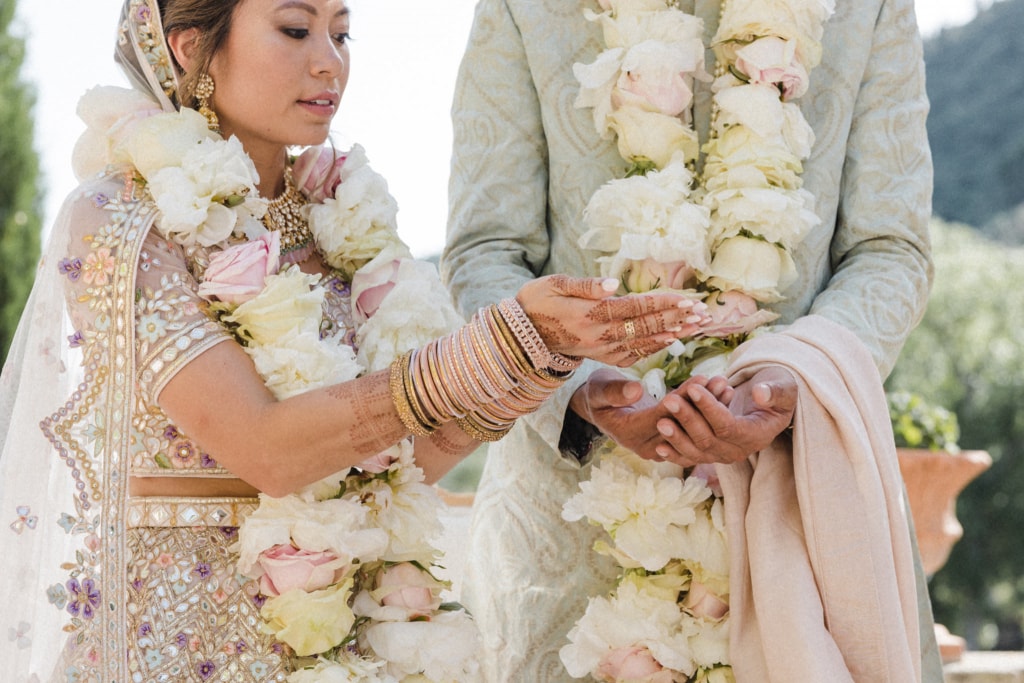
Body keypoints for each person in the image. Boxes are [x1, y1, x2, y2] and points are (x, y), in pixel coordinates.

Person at [0, 0, 709, 680]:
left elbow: (405, 463)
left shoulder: (343, 226)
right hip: (173, 652)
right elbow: (268, 449)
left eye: (342, 33)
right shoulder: (121, 221)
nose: (329, 62)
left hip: (347, 640)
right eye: (295, 28)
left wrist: (545, 357)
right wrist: (502, 341)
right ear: (192, 48)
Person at [442, 0, 944, 680]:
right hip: (570, 531)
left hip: (799, 507)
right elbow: (485, 251)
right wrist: (579, 389)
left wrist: (791, 383)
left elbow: (891, 250)